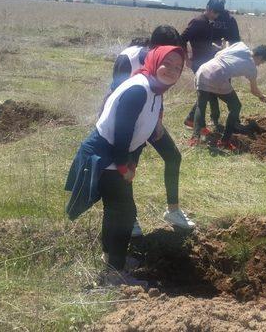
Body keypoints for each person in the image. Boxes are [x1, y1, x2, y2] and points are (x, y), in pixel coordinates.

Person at [65, 46, 194, 285]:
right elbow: (121, 133)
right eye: (168, 63)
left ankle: (113, 258)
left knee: (118, 212)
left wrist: (130, 162)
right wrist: (125, 166)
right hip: (105, 155)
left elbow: (140, 129)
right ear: (155, 61)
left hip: (114, 155)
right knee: (123, 214)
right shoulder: (139, 90)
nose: (173, 70)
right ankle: (115, 274)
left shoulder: (154, 88)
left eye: (178, 67)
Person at [104, 25, 185, 239]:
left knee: (173, 156)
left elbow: (159, 91)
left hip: (149, 118)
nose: (171, 62)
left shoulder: (166, 63)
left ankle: (173, 210)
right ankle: (130, 219)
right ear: (153, 46)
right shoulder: (128, 59)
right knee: (128, 169)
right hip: (128, 122)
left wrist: (158, 121)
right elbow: (117, 96)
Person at [190, 42, 266, 150]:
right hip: (218, 75)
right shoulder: (251, 67)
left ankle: (195, 139)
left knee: (201, 105)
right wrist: (261, 96)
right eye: (262, 62)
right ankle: (224, 141)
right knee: (236, 106)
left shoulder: (241, 46)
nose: (259, 64)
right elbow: (254, 90)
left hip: (203, 69)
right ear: (260, 56)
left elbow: (218, 53)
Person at [180, 0, 225, 131]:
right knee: (205, 92)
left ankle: (192, 120)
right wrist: (187, 58)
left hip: (207, 62)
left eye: (218, 14)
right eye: (215, 13)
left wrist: (215, 47)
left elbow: (203, 41)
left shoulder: (209, 23)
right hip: (198, 63)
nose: (216, 16)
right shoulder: (198, 22)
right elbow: (182, 39)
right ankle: (194, 121)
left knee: (208, 92)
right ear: (208, 9)